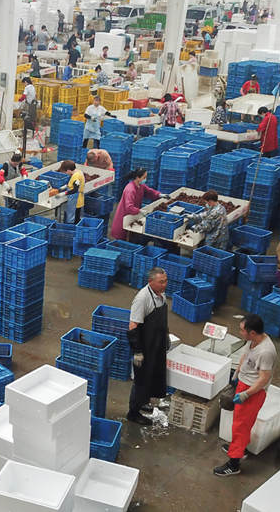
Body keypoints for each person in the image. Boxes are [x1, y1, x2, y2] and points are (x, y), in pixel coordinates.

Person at [214, 315, 276, 477]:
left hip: (253, 391)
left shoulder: (266, 352)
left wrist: (246, 394)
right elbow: (246, 355)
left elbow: (264, 378)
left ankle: (234, 464)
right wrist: (237, 373)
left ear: (253, 333)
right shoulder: (253, 341)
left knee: (240, 426)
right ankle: (241, 448)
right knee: (241, 423)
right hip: (243, 383)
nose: (240, 332)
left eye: (242, 330)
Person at [126, 267, 169, 425]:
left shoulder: (161, 295)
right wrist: (137, 351)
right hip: (145, 348)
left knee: (152, 376)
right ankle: (133, 412)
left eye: (165, 281)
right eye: (161, 282)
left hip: (157, 345)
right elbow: (133, 326)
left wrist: (166, 337)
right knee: (141, 380)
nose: (164, 285)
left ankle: (143, 401)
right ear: (150, 282)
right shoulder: (142, 298)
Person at [111, 168, 162, 240]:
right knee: (122, 238)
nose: (145, 179)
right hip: (124, 216)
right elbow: (129, 207)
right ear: (138, 178)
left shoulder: (141, 186)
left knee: (131, 236)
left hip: (133, 215)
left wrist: (159, 195)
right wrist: (139, 211)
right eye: (144, 177)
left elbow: (149, 191)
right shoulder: (130, 189)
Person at [59, 160, 84, 224]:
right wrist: (65, 187)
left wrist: (64, 193)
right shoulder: (78, 171)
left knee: (74, 219)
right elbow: (72, 185)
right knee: (74, 217)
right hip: (76, 199)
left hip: (76, 201)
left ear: (68, 170)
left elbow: (75, 190)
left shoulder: (76, 177)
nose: (65, 173)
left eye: (65, 172)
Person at [19, 77, 37, 152]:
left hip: (30, 105)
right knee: (33, 118)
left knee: (28, 118)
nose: (24, 85)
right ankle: (32, 131)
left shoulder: (27, 87)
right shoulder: (32, 87)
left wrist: (19, 100)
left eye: (24, 83)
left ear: (26, 82)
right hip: (34, 104)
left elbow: (24, 96)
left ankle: (29, 131)